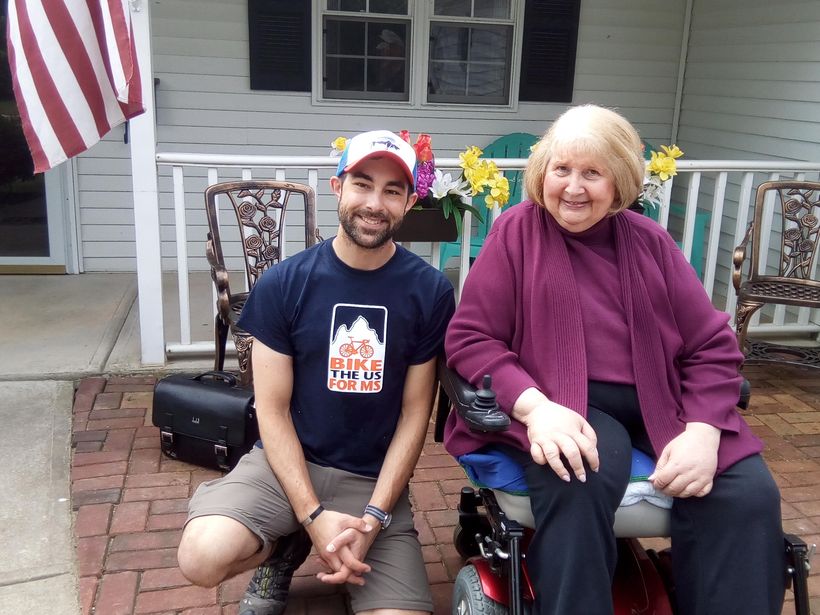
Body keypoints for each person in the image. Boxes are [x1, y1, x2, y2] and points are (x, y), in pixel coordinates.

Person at [443, 105, 785, 615]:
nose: (573, 187)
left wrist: (704, 431)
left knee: (747, 492)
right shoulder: (516, 231)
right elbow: (471, 337)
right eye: (562, 169)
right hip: (561, 400)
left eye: (592, 172)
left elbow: (712, 345)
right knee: (579, 472)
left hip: (659, 399)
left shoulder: (650, 241)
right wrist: (535, 409)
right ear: (543, 173)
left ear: (619, 180)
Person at [177, 129, 455, 615]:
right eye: (363, 184)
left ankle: (339, 547)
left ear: (410, 202)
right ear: (337, 188)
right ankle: (283, 548)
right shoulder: (285, 283)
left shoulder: (428, 291)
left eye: (392, 191)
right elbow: (273, 410)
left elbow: (415, 415)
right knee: (200, 557)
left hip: (371, 477)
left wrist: (373, 517)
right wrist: (312, 517)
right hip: (285, 468)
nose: (375, 203)